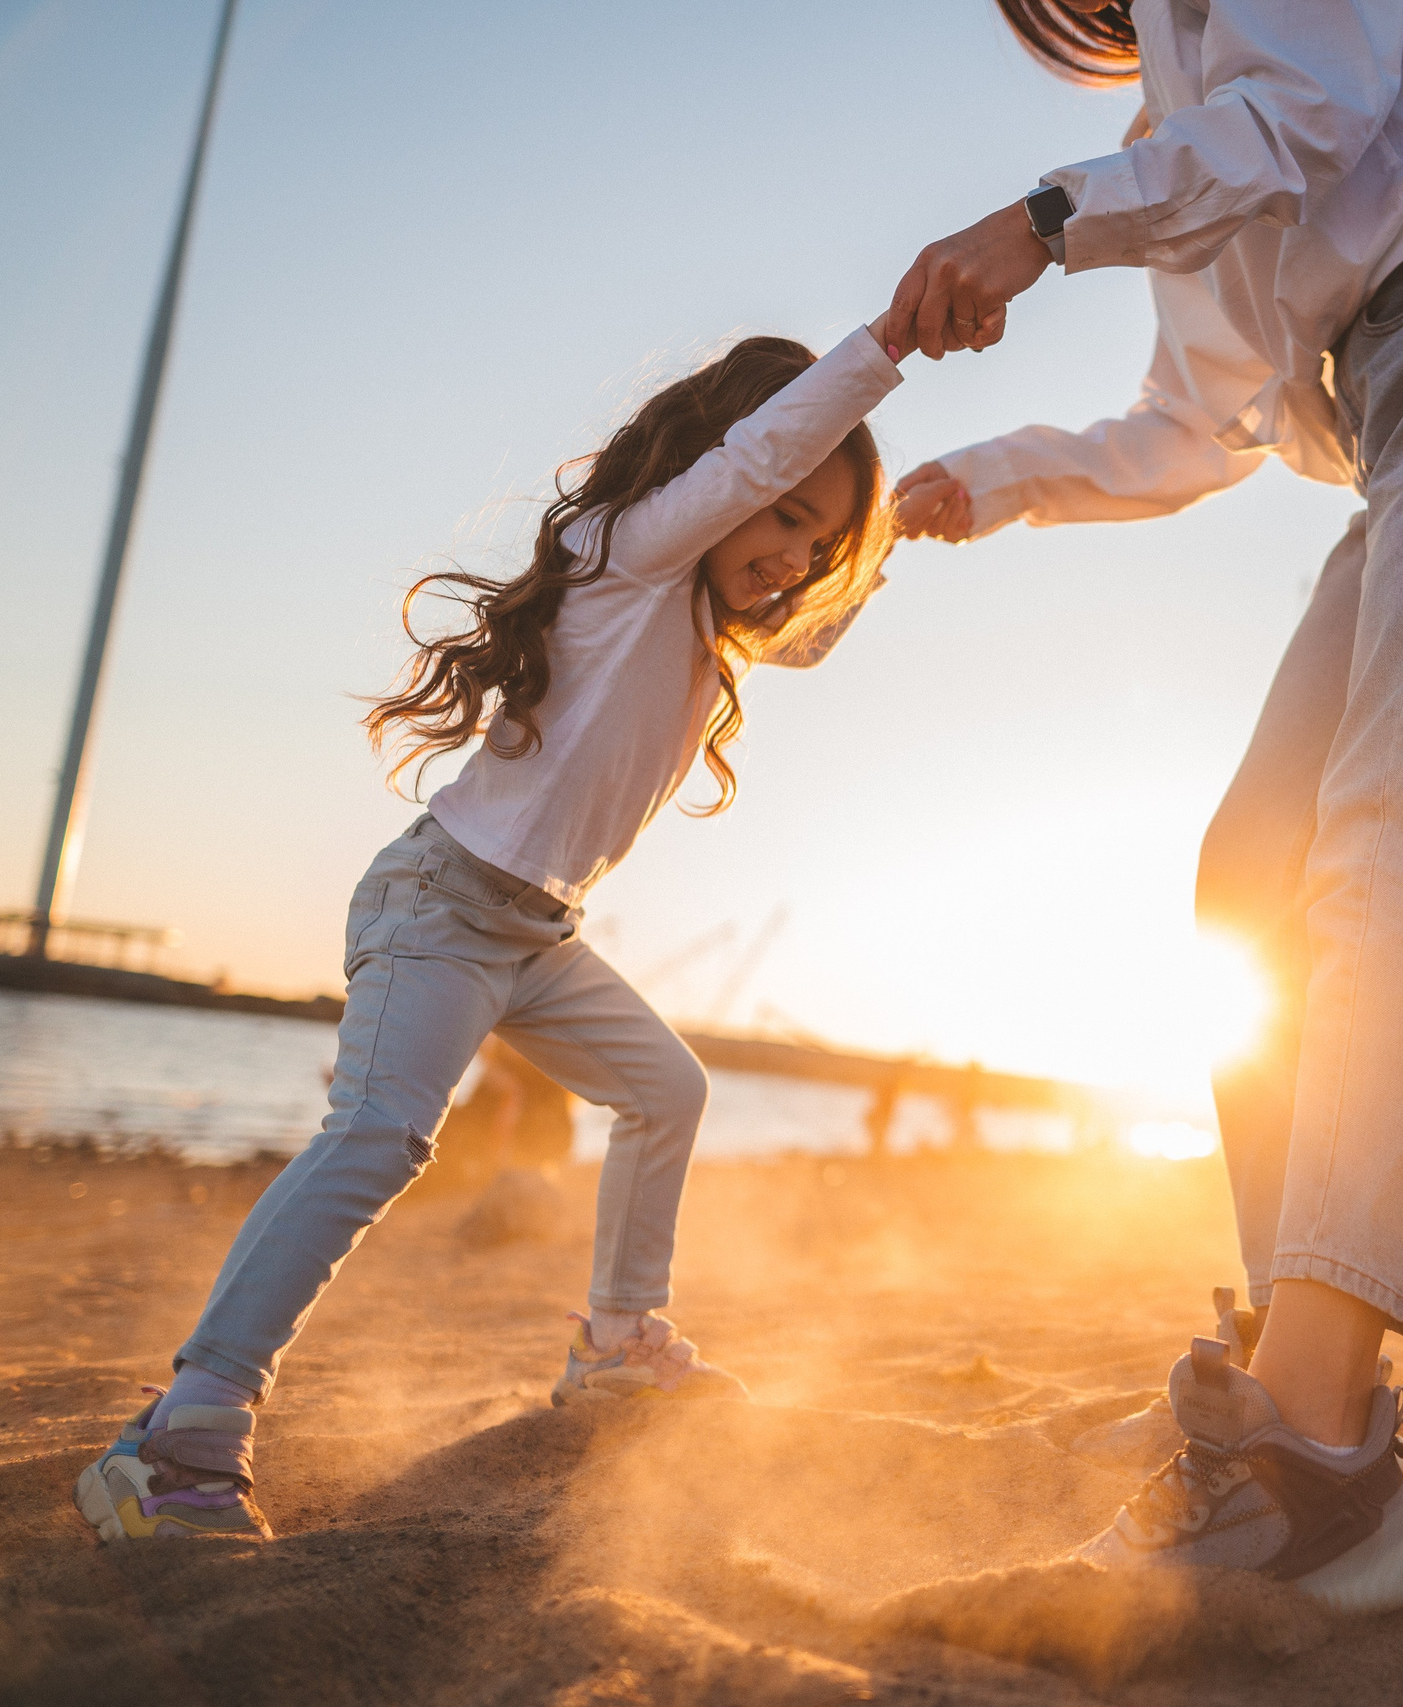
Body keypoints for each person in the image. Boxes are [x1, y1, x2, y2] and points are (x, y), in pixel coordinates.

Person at [884, 0, 1403, 1614]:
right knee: (1248, 881)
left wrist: (1038, 226)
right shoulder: (1165, 133)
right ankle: (1302, 1385)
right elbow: (1191, 424)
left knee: (1393, 862)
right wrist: (996, 479)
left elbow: (1312, 107)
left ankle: (1310, 1455)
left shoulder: (1180, 145)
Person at [75, 312, 917, 1543]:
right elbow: (751, 464)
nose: (794, 556)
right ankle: (180, 1434)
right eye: (785, 514)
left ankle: (616, 1345)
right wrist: (888, 345)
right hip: (442, 904)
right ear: (728, 463)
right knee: (377, 1139)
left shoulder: (698, 613)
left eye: (818, 539)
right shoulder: (628, 549)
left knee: (667, 1092)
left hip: (537, 938)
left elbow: (816, 630)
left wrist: (897, 535)